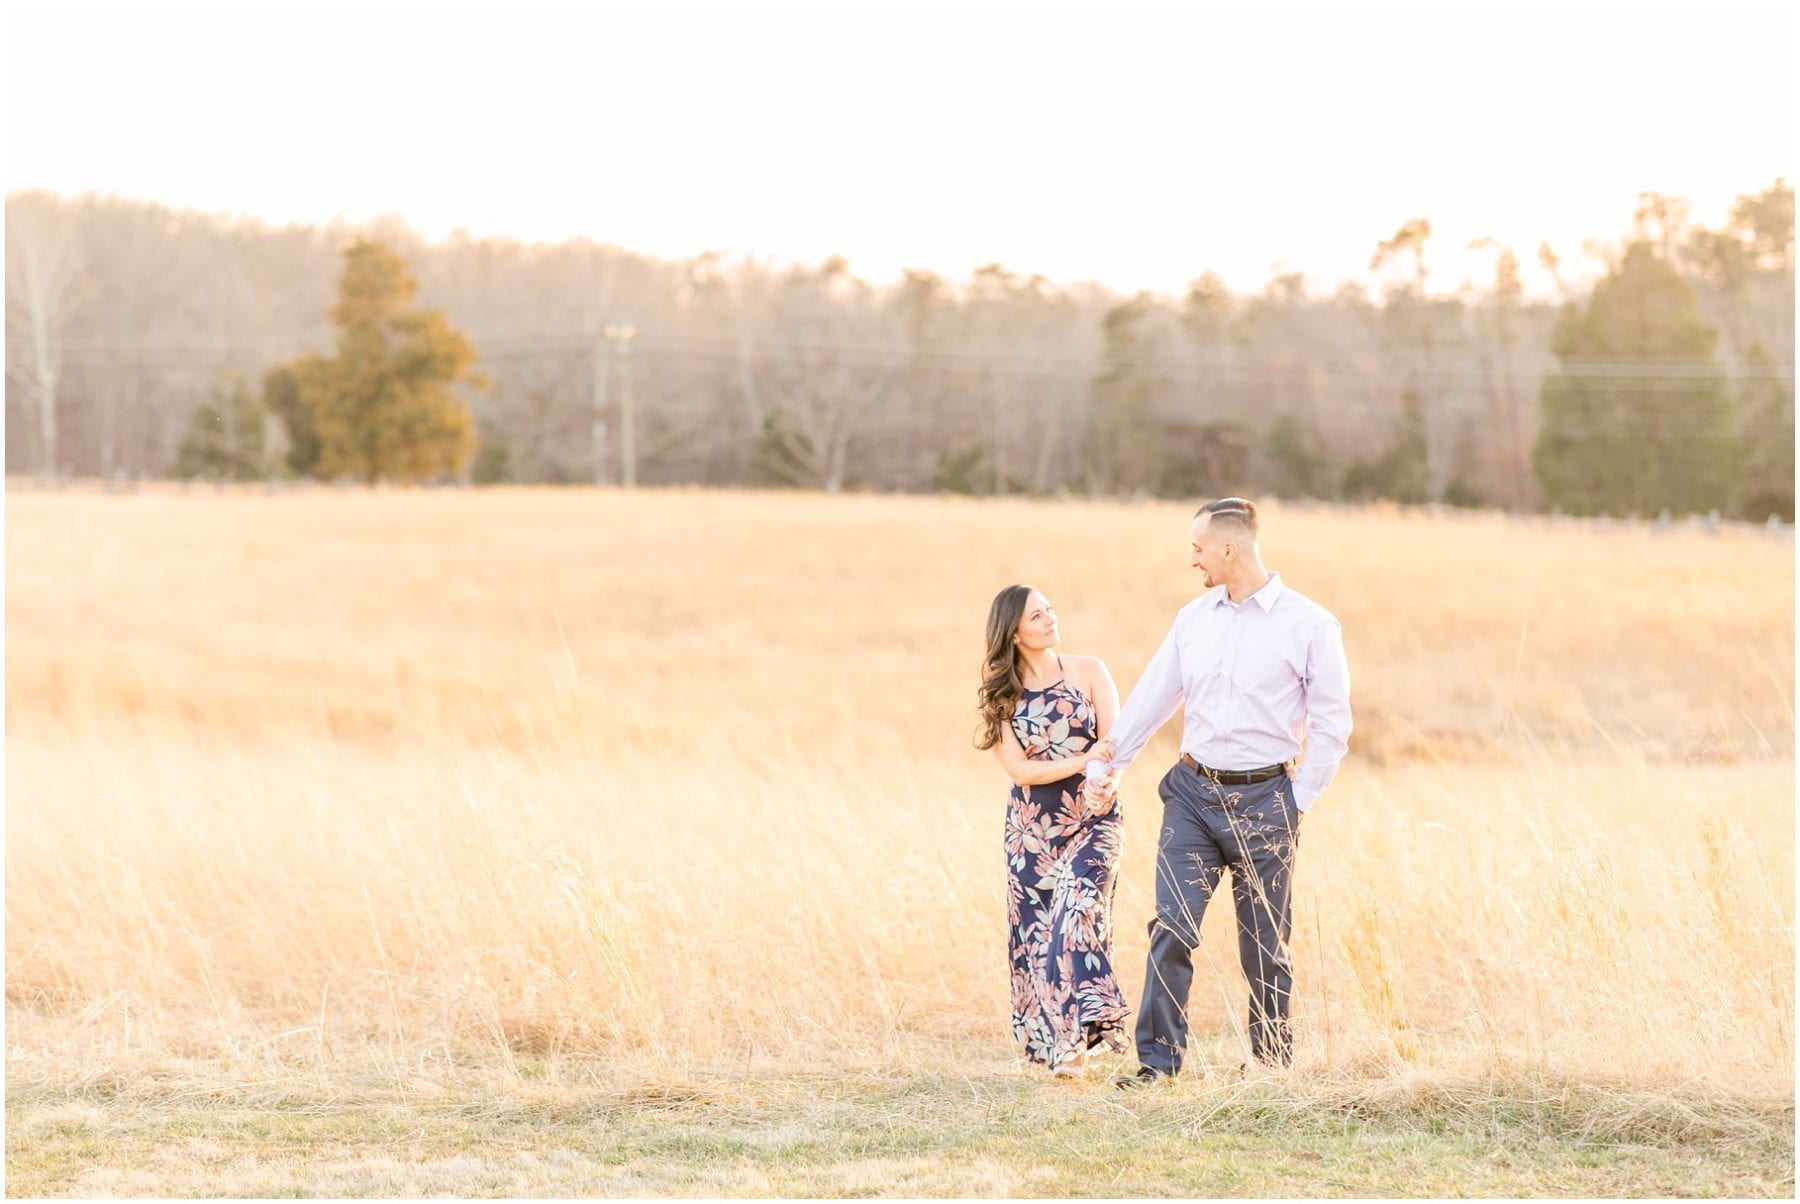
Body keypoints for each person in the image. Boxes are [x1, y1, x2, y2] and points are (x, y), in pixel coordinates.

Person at [1086, 498, 1351, 1086]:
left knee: (1265, 944)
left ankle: (1272, 1065)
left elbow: (1334, 727)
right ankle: (1158, 1064)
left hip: (1267, 802)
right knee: (1171, 928)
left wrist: (1296, 801)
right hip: (1192, 796)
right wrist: (1113, 760)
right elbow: (1156, 694)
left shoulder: (1310, 624)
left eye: (1198, 547)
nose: (1193, 559)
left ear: (1229, 550)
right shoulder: (1193, 618)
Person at [977, 584, 1130, 1077]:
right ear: (1015, 634)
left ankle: (1093, 1021)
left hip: (1094, 815)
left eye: (1049, 610)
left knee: (1079, 908)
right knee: (1040, 933)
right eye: (1037, 617)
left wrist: (1104, 779)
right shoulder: (1003, 693)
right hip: (1031, 832)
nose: (1049, 620)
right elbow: (1020, 771)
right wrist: (1084, 759)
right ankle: (1067, 1049)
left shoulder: (1090, 671)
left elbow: (1116, 743)